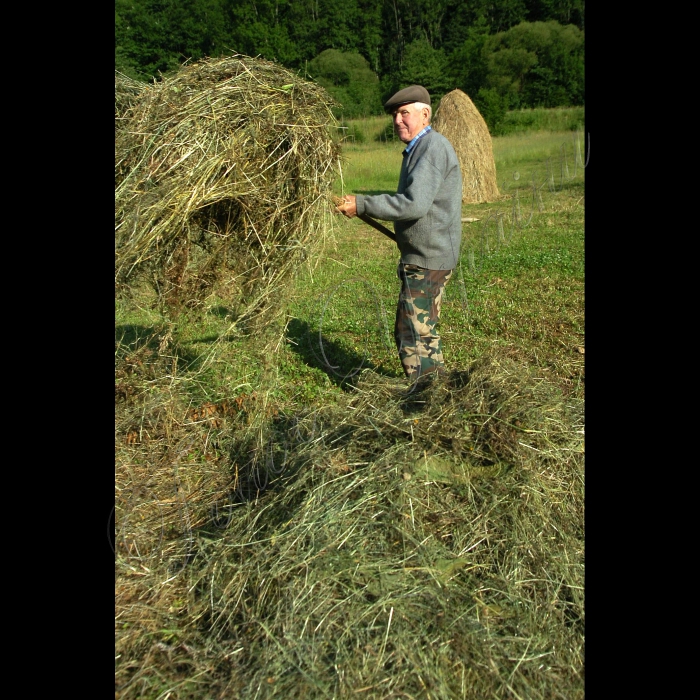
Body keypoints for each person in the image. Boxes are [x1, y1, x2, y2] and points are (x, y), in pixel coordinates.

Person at [336, 85, 462, 386]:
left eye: (404, 112)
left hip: (429, 258)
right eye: (395, 114)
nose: (397, 120)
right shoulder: (418, 148)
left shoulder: (431, 148)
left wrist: (363, 204)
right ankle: (434, 391)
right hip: (423, 256)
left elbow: (413, 205)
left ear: (425, 114)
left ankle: (430, 398)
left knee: (414, 335)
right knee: (416, 330)